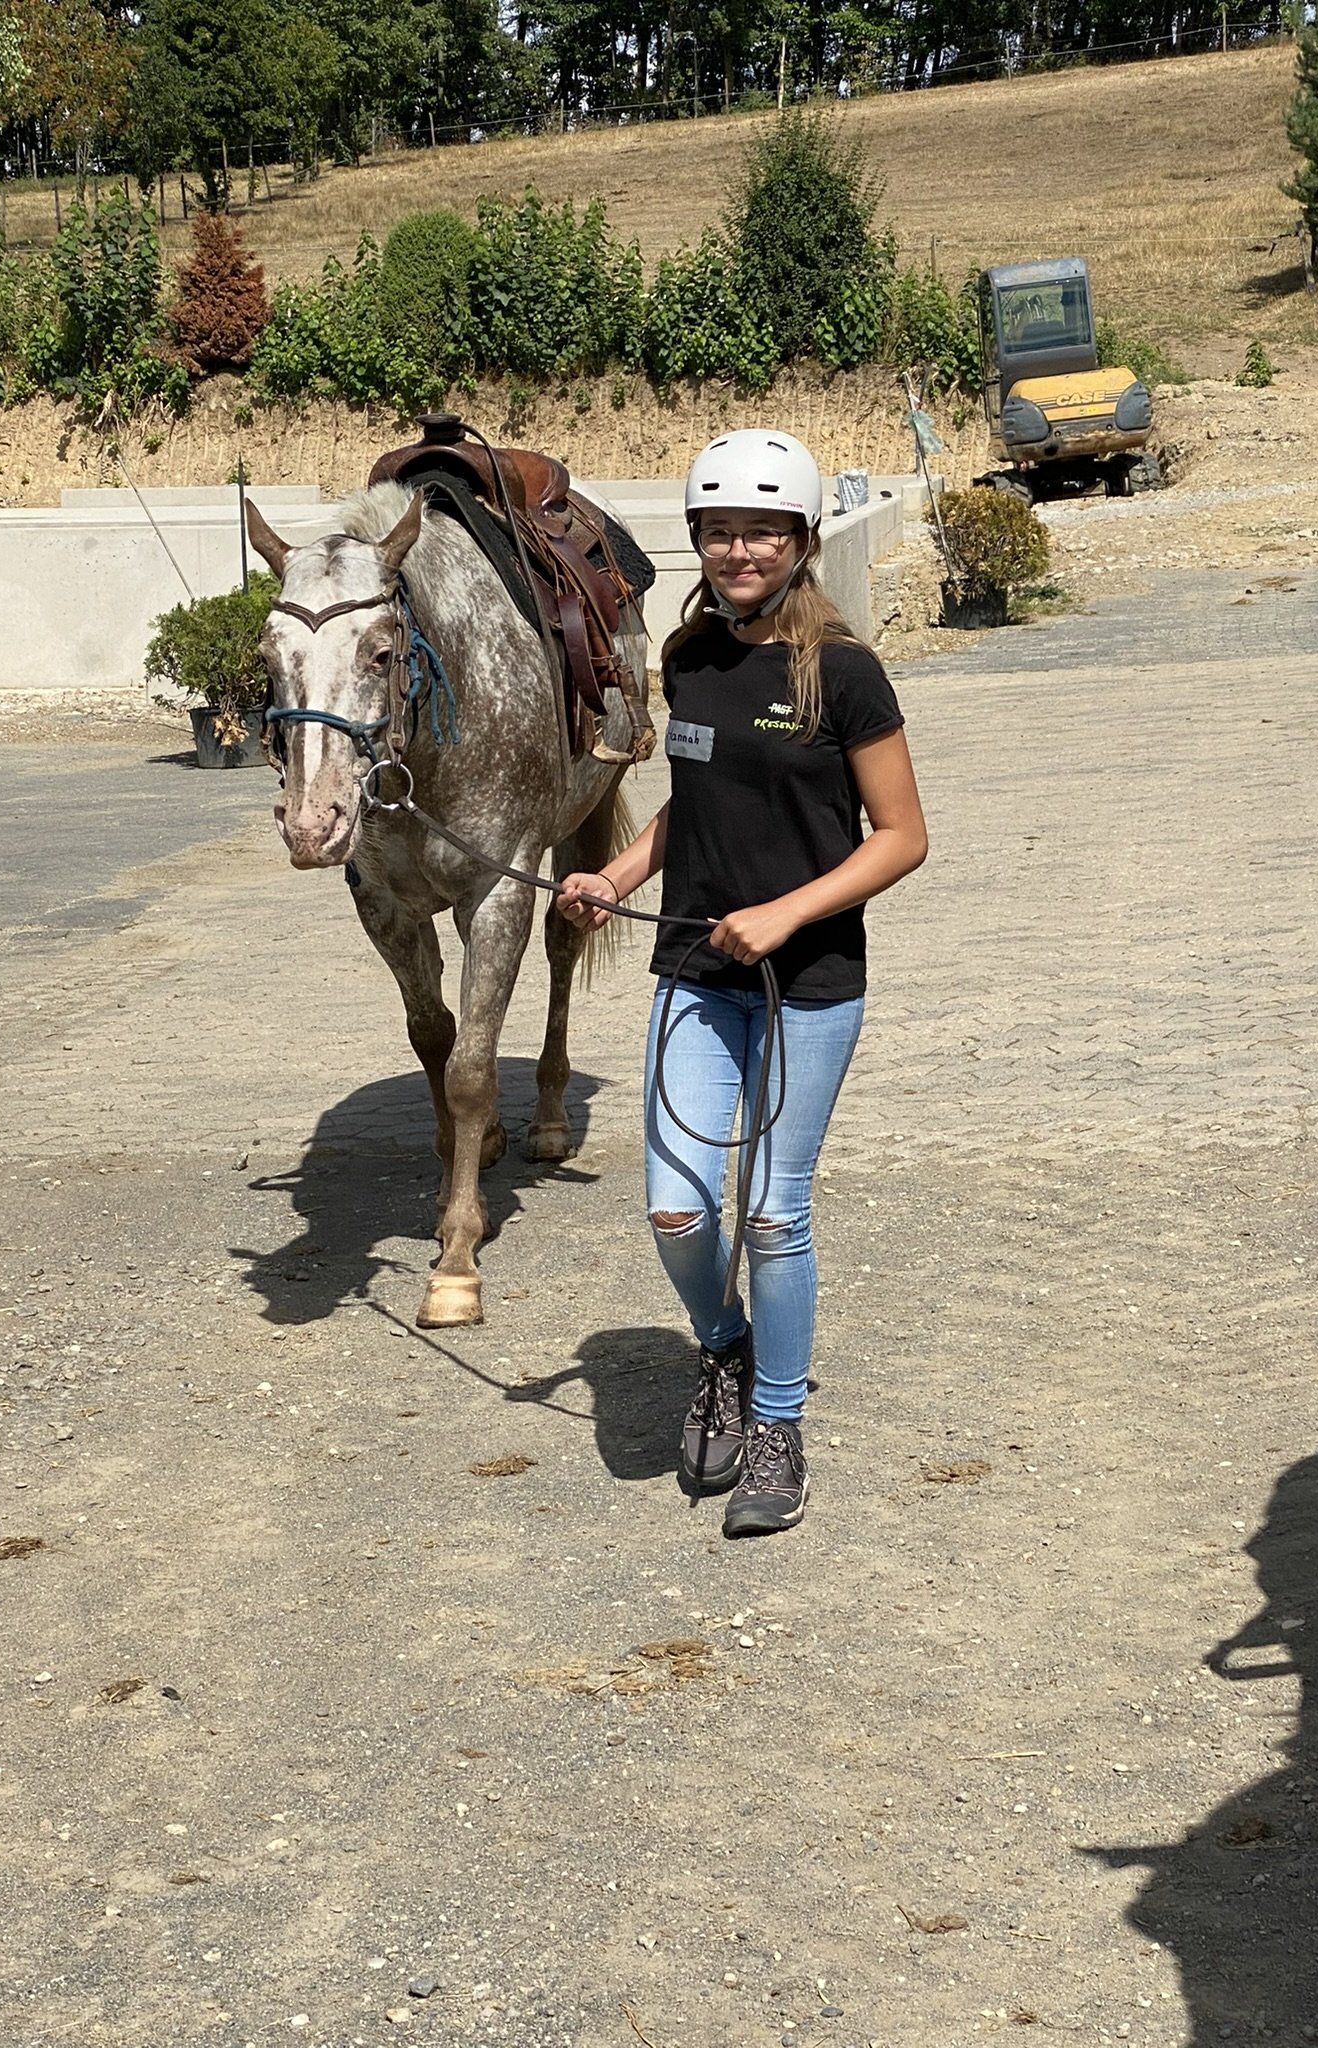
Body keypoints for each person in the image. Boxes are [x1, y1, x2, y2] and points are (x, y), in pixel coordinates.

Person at [557, 430, 927, 1537]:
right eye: (719, 532)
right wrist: (615, 875)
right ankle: (725, 1347)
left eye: (762, 531)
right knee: (677, 1204)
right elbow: (698, 797)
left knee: (772, 1211)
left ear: (802, 539)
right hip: (692, 967)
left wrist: (786, 912)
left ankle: (776, 1420)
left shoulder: (844, 673)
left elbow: (901, 836)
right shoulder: (689, 657)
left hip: (809, 980)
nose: (739, 551)